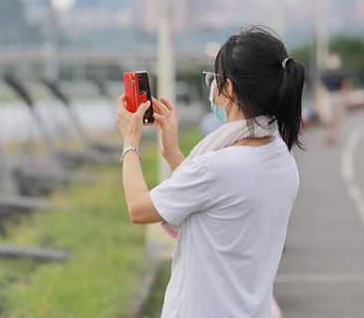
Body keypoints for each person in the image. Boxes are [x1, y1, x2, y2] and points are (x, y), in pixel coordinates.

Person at [115, 26, 305, 318]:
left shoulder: (218, 168)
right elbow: (217, 202)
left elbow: (138, 209)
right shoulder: (281, 160)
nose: (213, 88)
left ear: (228, 88)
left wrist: (130, 142)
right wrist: (173, 153)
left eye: (215, 79)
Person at [318, 53, 348, 146]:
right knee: (328, 118)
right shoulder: (325, 74)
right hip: (328, 96)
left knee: (336, 118)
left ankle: (333, 136)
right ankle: (329, 136)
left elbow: (344, 85)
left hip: (337, 96)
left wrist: (344, 97)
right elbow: (320, 86)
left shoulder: (340, 74)